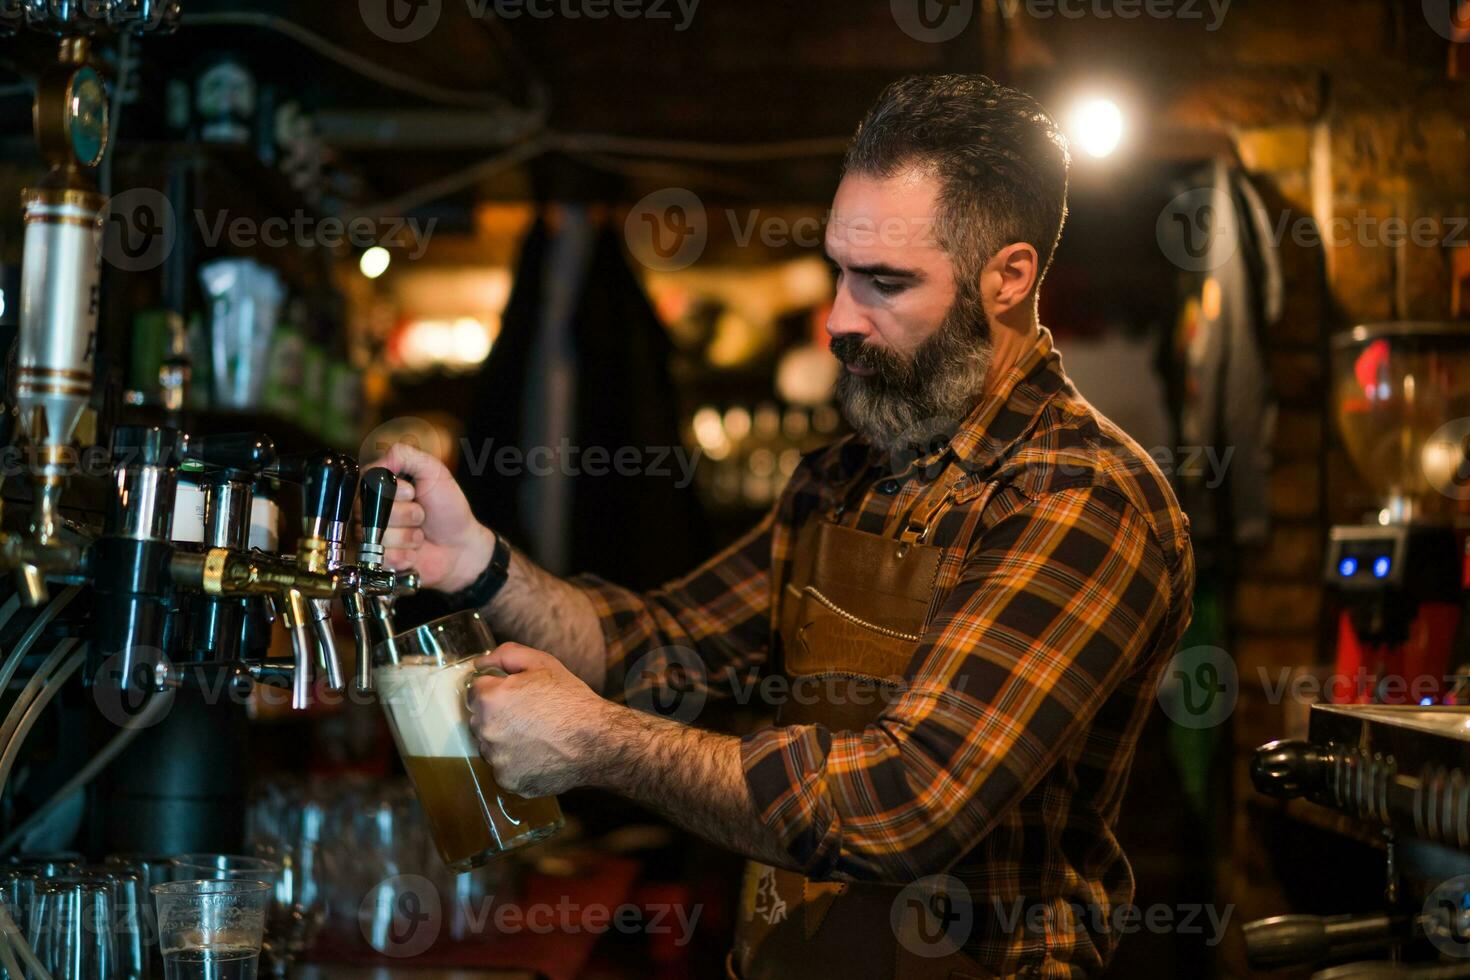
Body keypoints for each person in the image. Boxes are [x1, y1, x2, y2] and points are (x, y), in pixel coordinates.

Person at [371, 73, 1195, 979]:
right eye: (841, 270)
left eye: (885, 282)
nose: (839, 320)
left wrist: (599, 744)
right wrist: (480, 564)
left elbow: (907, 806)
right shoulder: (843, 479)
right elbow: (657, 645)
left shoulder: (1079, 497)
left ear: (1008, 278)